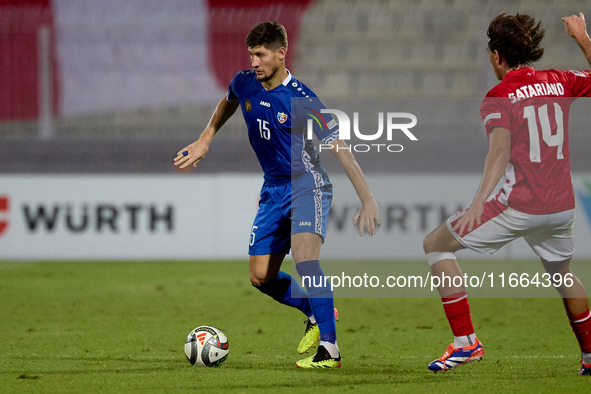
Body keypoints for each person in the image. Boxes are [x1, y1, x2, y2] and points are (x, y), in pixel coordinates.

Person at [174, 21, 380, 368]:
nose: (254, 62)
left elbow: (340, 147)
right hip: (272, 188)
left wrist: (368, 198)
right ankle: (316, 311)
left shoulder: (302, 98)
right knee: (260, 276)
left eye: (261, 54)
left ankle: (329, 350)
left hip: (306, 183)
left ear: (281, 54)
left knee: (304, 257)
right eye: (251, 54)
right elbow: (229, 101)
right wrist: (206, 137)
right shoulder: (244, 82)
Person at [423, 12, 591, 375]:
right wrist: (582, 38)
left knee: (435, 245)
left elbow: (499, 152)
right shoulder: (559, 80)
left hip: (521, 205)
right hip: (562, 205)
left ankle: (467, 343)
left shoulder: (499, 96)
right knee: (562, 273)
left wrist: (478, 203)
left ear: (498, 56)